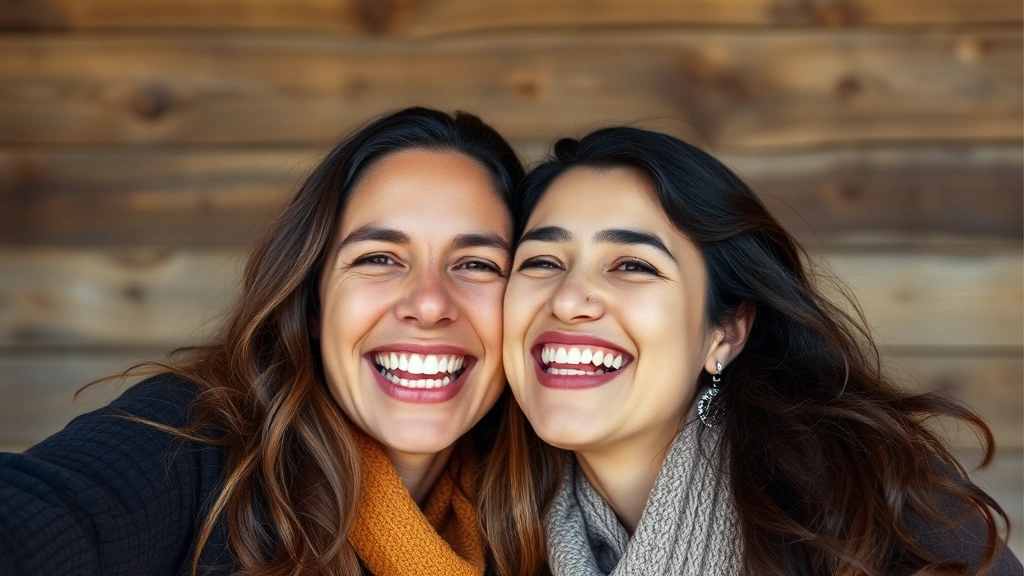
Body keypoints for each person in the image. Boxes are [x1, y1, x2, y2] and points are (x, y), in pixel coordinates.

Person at [0, 107, 535, 576]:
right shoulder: (191, 445)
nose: (430, 303)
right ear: (313, 302)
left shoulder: (543, 522)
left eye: (477, 264)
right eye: (378, 258)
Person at [495, 127, 1023, 575]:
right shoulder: (490, 536)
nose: (568, 299)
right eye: (542, 261)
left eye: (633, 265)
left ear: (725, 333)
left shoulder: (873, 504)